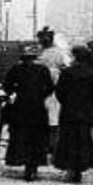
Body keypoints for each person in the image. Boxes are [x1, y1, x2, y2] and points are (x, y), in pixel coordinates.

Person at [2, 44, 55, 181]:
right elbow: (50, 87)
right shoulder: (42, 70)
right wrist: (41, 95)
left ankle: (23, 161)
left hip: (20, 107)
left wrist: (15, 93)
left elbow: (6, 86)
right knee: (37, 137)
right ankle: (33, 165)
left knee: (21, 135)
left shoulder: (16, 69)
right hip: (37, 108)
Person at [53, 44, 93, 182]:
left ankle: (70, 168)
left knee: (68, 140)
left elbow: (59, 92)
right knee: (83, 140)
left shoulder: (67, 73)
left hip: (69, 111)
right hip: (85, 113)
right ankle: (80, 167)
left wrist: (67, 103)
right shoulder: (91, 74)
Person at [36, 26, 69, 155]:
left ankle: (52, 143)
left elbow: (64, 66)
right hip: (40, 84)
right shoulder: (39, 52)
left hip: (53, 85)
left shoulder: (57, 53)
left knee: (53, 114)